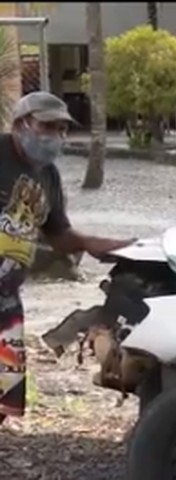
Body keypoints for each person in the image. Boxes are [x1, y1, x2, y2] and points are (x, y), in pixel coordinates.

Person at [0, 92, 134, 423]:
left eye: (61, 129)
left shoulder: (49, 176)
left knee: (6, 381)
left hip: (6, 297)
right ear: (21, 125)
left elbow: (58, 233)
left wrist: (96, 243)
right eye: (47, 126)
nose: (54, 137)